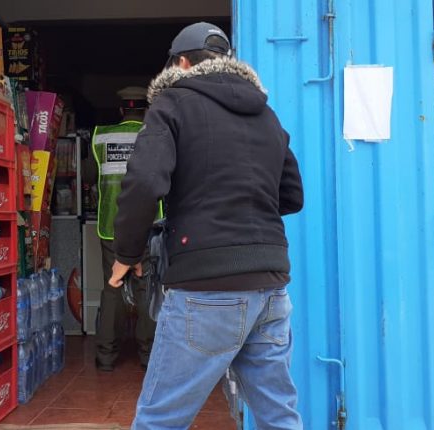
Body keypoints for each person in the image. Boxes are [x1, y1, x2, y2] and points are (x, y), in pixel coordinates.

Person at [109, 22, 304, 429]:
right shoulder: (266, 114)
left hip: (206, 290)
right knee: (278, 417)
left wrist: (127, 252)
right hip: (271, 289)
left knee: (159, 419)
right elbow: (292, 196)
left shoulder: (172, 104)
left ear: (182, 62)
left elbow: (144, 182)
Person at [92, 86, 157, 372]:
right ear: (146, 110)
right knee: (147, 287)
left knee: (112, 286)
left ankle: (105, 356)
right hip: (148, 224)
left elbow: (91, 174)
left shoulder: (101, 137)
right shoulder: (156, 136)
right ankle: (149, 355)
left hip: (112, 226)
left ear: (121, 110)